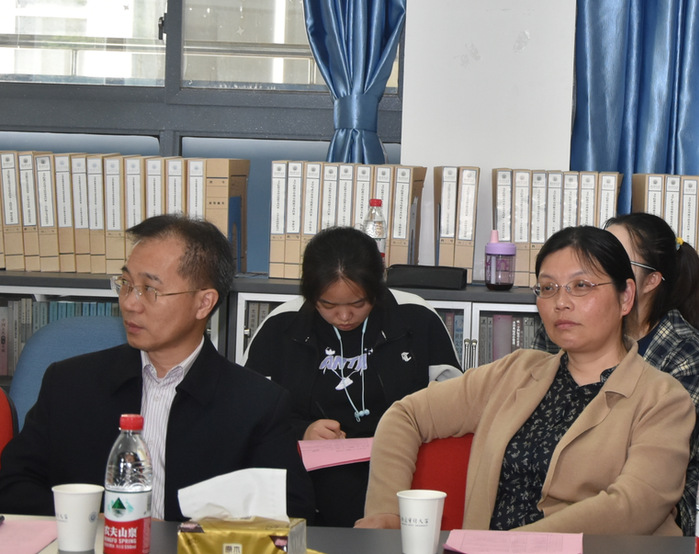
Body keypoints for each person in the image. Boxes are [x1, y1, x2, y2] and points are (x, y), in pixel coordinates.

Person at [356, 225, 695, 535]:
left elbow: (634, 507)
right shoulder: (516, 372)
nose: (561, 302)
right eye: (548, 288)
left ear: (626, 297)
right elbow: (406, 415)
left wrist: (513, 545)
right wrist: (387, 512)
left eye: (581, 286)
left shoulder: (663, 399)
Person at [0, 214, 315, 522]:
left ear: (204, 303)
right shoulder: (70, 384)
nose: (129, 303)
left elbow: (289, 512)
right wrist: (95, 521)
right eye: (126, 283)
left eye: (150, 289)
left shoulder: (257, 405)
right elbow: (13, 483)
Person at [243, 226, 462, 527]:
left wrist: (403, 432)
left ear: (377, 288)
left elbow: (455, 408)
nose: (344, 316)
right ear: (310, 294)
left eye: (358, 304)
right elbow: (250, 415)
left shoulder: (416, 317)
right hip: (309, 482)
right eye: (328, 305)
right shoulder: (281, 326)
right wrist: (302, 430)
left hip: (402, 470)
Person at [531, 212, 699, 535]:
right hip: (554, 487)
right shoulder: (565, 329)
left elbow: (648, 479)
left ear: (646, 283)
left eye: (616, 254)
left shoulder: (685, 355)